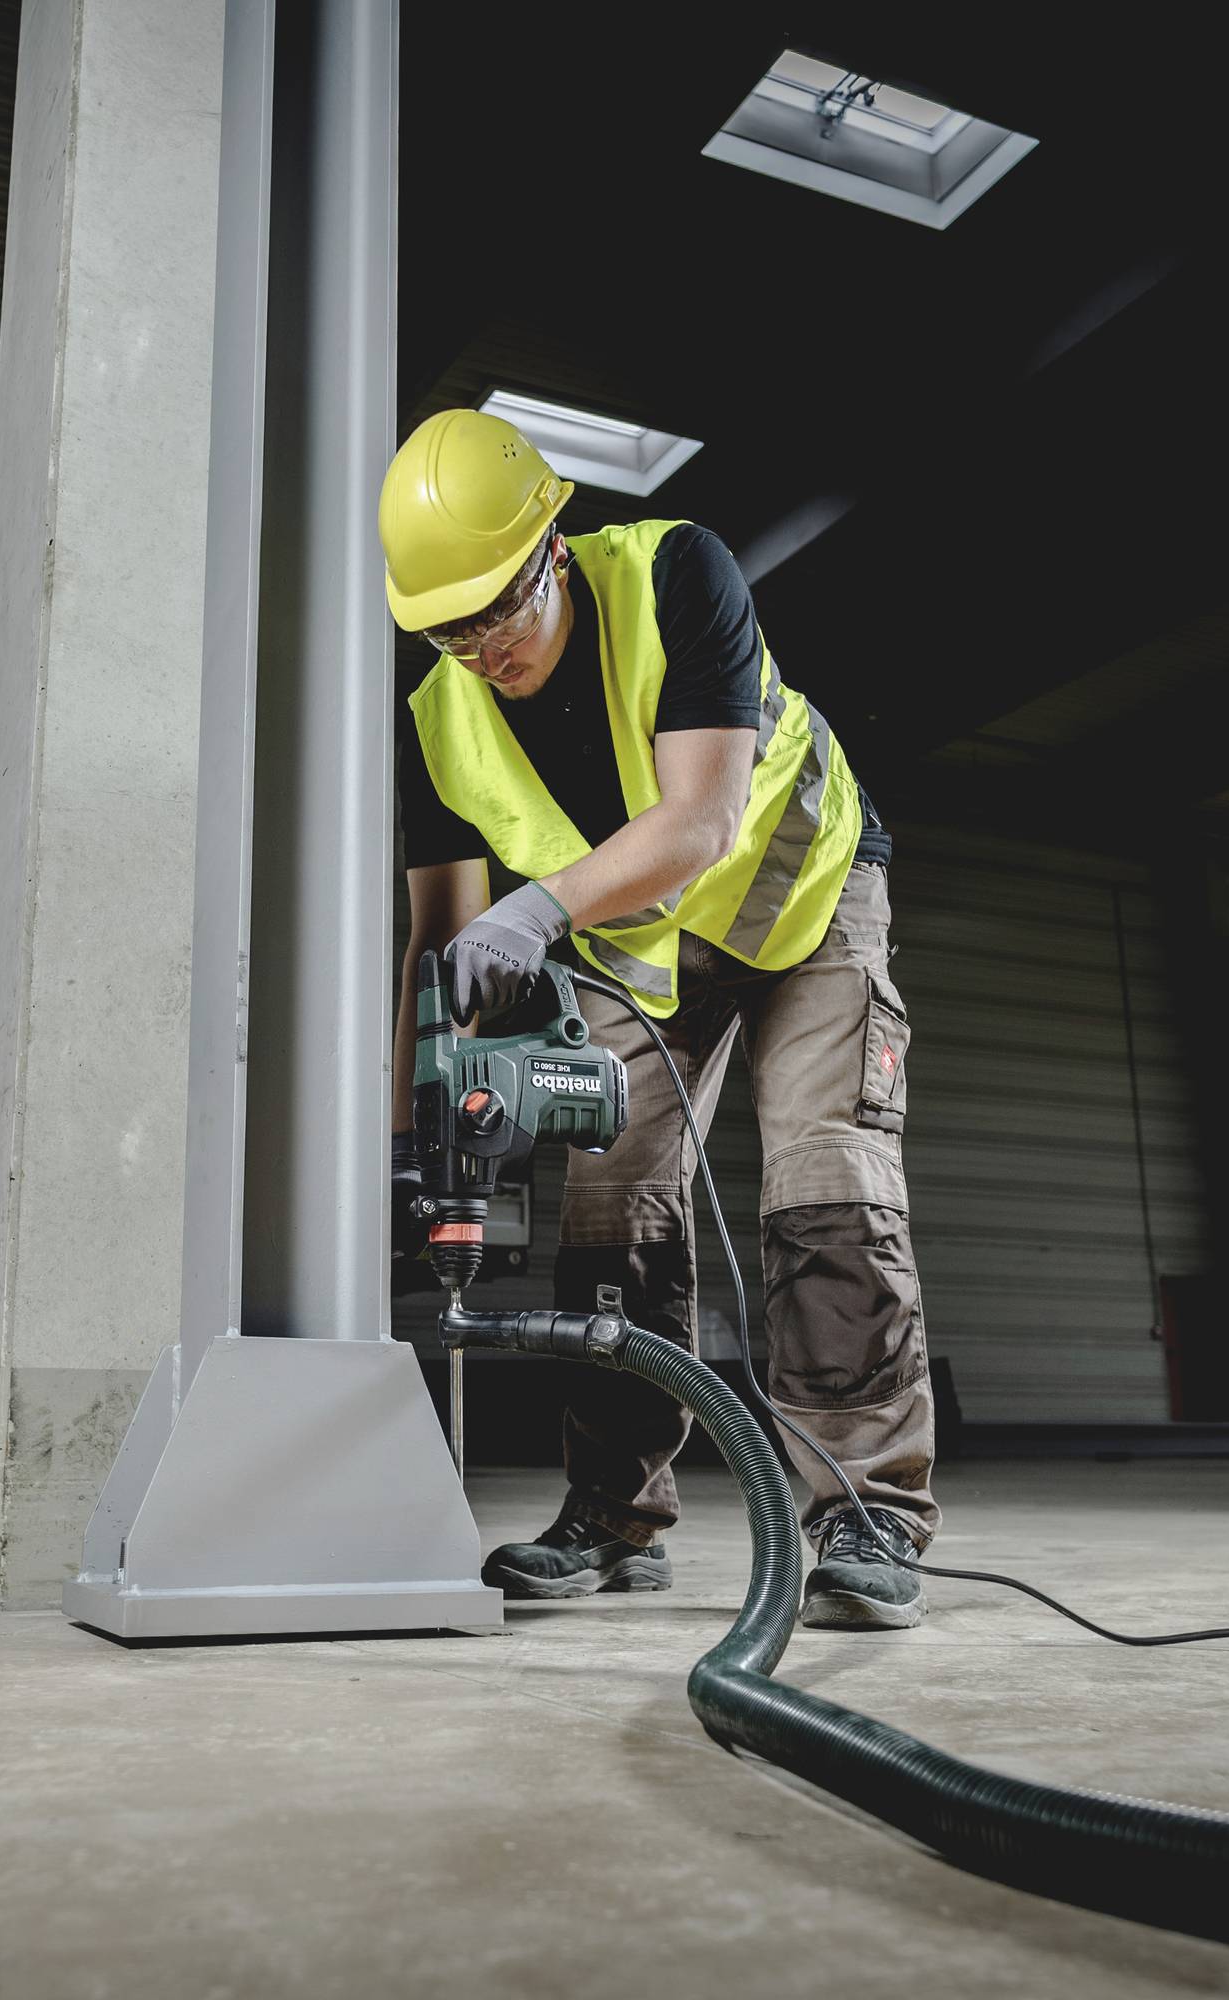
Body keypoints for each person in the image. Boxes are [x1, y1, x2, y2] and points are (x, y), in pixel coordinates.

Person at [382, 407, 939, 1632]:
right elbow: (440, 942)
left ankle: (865, 1509)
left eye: (496, 607)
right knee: (608, 1205)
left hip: (806, 900)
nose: (479, 646)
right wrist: (410, 1122)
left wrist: (531, 912)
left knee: (823, 1180)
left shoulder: (679, 569)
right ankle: (613, 1514)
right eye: (444, 626)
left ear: (552, 545)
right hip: (640, 947)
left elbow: (702, 822)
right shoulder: (436, 720)